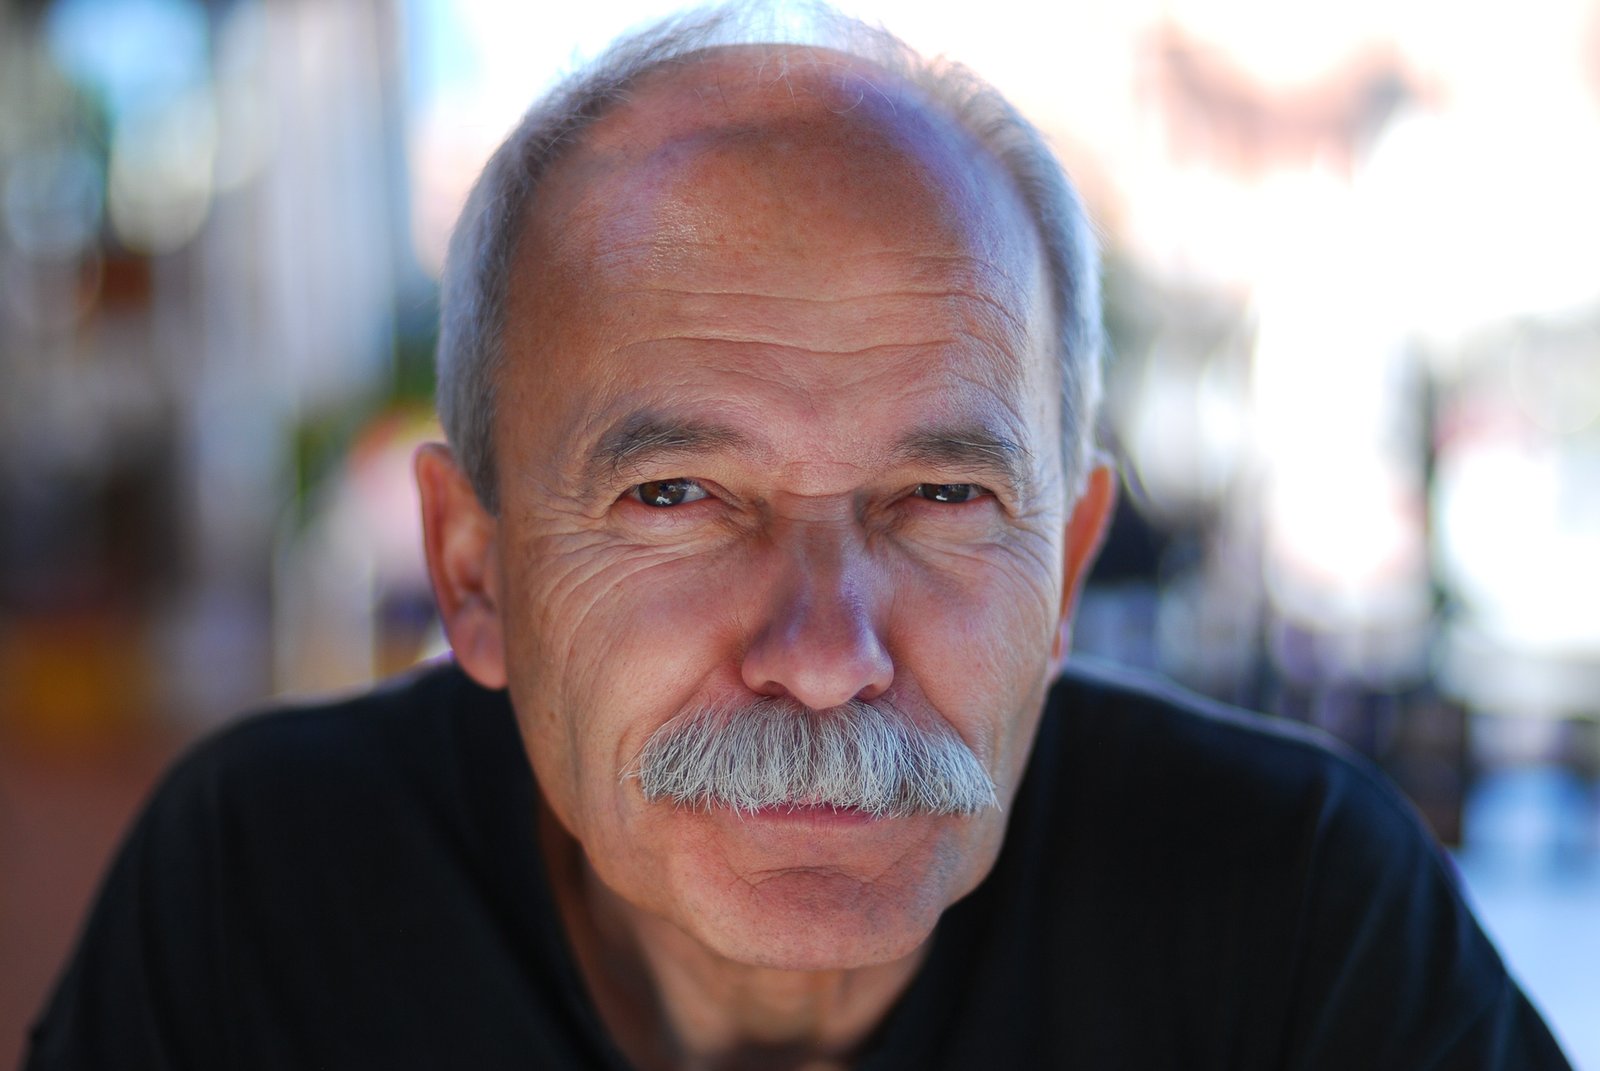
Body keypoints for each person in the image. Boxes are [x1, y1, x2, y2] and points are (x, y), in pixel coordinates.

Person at [25, 7, 1571, 1070]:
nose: (827, 658)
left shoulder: (1292, 916)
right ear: (475, 575)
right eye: (678, 497)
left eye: (944, 500)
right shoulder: (265, 900)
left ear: (1066, 569)